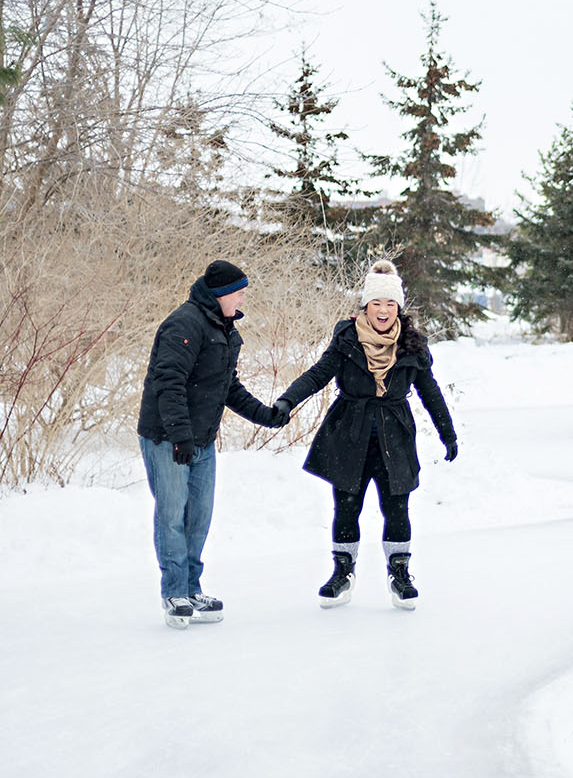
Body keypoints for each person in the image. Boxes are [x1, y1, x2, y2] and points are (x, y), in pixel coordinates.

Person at [277, 258, 458, 610]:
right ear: (366, 305)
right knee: (346, 508)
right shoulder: (347, 338)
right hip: (349, 431)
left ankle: (400, 573)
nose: (384, 310)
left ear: (399, 308)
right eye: (377, 303)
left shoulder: (411, 343)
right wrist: (287, 401)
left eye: (391, 303)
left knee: (397, 508)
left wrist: (447, 433)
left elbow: (430, 391)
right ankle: (342, 572)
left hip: (395, 435)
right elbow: (318, 374)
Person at [136, 259, 292, 629]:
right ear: (221, 294)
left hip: (200, 439)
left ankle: (191, 588)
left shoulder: (225, 330)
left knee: (198, 519)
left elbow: (227, 387)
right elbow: (168, 382)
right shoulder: (185, 325)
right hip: (167, 437)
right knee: (173, 516)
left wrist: (264, 415)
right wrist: (180, 437)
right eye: (238, 292)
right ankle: (174, 592)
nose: (241, 299)